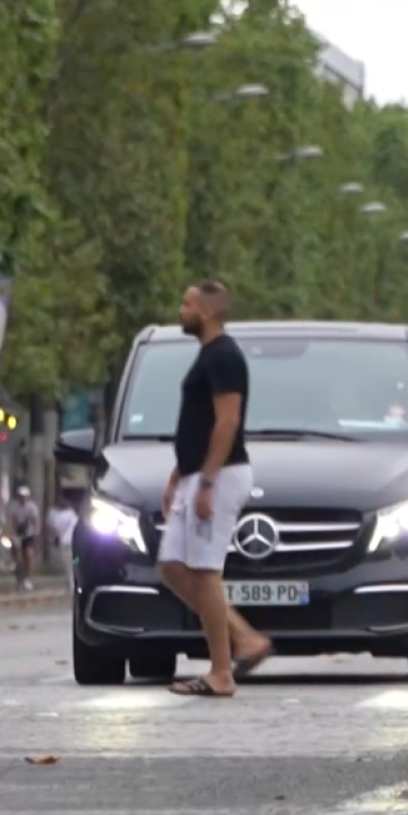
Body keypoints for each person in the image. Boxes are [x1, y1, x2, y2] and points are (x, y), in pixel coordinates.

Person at [157, 281, 270, 697]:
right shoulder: (207, 356)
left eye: (186, 303)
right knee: (172, 565)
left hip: (219, 476)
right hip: (197, 475)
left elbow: (226, 421)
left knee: (205, 572)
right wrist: (179, 475)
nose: (180, 309)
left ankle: (221, 671)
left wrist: (206, 481)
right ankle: (245, 639)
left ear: (205, 312)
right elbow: (198, 424)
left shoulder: (224, 357)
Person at [5, 487, 40, 592]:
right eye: (21, 497)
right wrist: (10, 533)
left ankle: (28, 578)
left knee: (28, 554)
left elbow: (35, 521)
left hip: (28, 533)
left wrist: (36, 531)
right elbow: (11, 521)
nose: (22, 499)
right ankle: (17, 573)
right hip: (17, 533)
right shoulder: (14, 507)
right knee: (16, 555)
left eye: (24, 497)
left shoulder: (31, 507)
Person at [46, 494, 78, 575]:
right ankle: (74, 568)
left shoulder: (70, 513)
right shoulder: (53, 513)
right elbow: (52, 528)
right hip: (66, 541)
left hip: (71, 541)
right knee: (69, 561)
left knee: (73, 560)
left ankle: (75, 566)